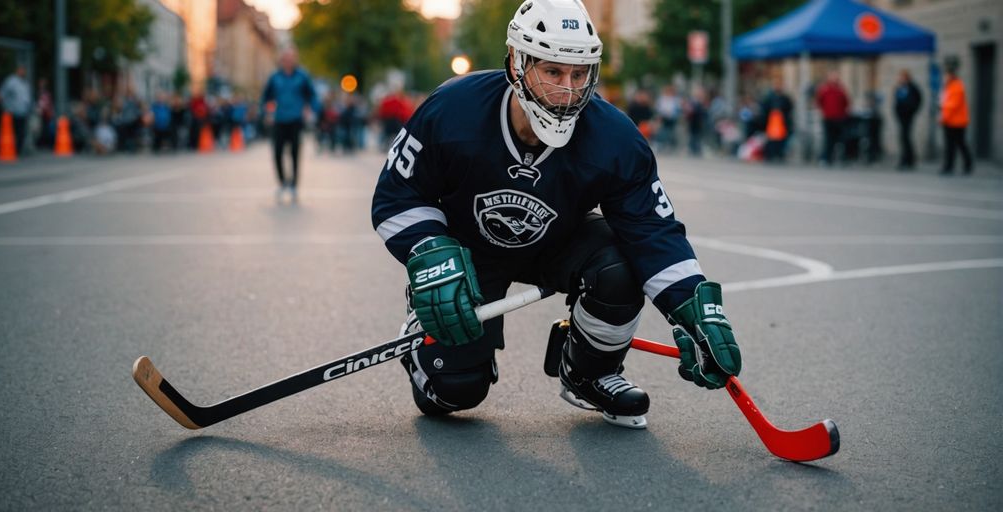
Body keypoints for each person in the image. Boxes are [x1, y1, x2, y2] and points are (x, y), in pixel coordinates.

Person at [371, 0, 741, 429]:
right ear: (516, 62)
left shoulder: (615, 138)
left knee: (621, 264)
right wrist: (430, 251)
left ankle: (590, 372)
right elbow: (396, 195)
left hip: (558, 244)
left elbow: (653, 231)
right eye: (552, 72)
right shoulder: (453, 109)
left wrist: (695, 310)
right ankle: (420, 335)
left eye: (579, 74)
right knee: (454, 391)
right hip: (468, 256)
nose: (568, 90)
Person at [260, 48, 320, 201]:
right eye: (285, 58)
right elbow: (265, 97)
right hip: (279, 119)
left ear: (295, 59)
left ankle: (293, 185)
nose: (288, 60)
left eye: (291, 58)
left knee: (295, 153)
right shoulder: (275, 77)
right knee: (277, 152)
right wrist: (266, 112)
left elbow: (311, 95)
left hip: (296, 119)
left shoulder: (302, 76)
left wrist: (312, 110)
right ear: (281, 60)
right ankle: (282, 183)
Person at [939, 59, 972, 175]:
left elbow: (952, 105)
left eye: (946, 75)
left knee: (956, 144)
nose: (944, 77)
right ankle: (952, 165)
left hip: (956, 122)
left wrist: (943, 118)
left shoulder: (956, 86)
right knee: (956, 144)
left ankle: (958, 165)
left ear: (951, 75)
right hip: (951, 121)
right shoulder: (949, 86)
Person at [815, 71, 850, 166]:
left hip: (840, 118)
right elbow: (819, 101)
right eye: (832, 77)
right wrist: (823, 112)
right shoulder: (824, 89)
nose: (834, 79)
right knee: (828, 139)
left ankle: (842, 158)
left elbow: (846, 102)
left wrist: (844, 113)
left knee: (841, 139)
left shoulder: (841, 89)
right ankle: (827, 158)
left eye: (836, 77)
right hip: (828, 118)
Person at [0, 65, 32, 155]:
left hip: (23, 111)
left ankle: (18, 150)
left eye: (24, 70)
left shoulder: (25, 82)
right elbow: (1, 95)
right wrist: (4, 107)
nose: (23, 72)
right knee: (12, 132)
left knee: (21, 133)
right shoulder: (11, 81)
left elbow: (27, 97)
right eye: (21, 70)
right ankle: (11, 149)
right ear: (17, 70)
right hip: (12, 112)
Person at [893, 70, 922, 170]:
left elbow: (918, 100)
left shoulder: (912, 88)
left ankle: (908, 159)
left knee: (906, 138)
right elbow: (896, 101)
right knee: (903, 138)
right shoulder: (899, 88)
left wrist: (912, 111)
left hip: (908, 116)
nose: (900, 79)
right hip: (901, 117)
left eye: (902, 77)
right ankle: (906, 159)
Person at [759, 79, 793, 162]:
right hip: (771, 122)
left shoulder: (785, 98)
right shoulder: (769, 97)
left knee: (781, 139)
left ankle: (779, 153)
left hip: (782, 123)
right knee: (771, 139)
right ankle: (771, 154)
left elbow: (789, 107)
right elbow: (765, 108)